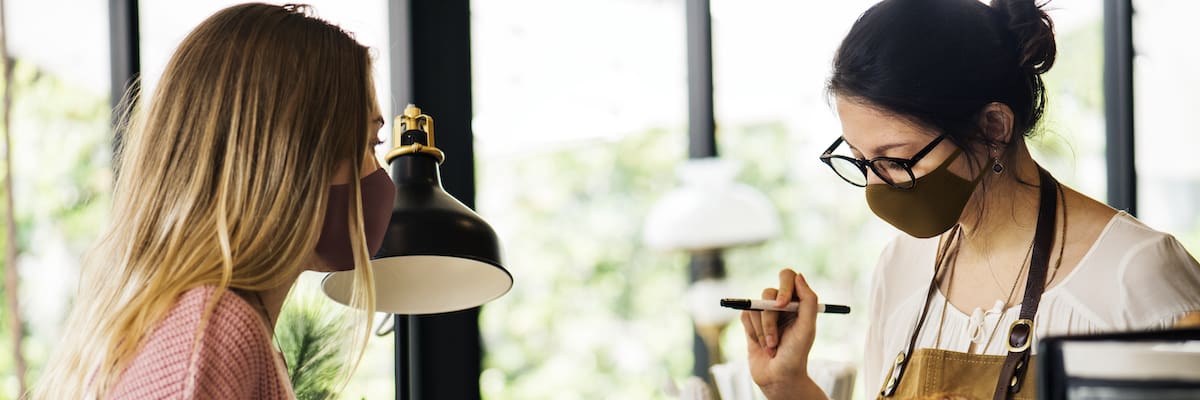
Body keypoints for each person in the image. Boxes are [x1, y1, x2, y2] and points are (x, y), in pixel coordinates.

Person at [740, 0, 1200, 399]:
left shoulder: (1133, 276)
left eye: (895, 159)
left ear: (993, 128)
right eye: (860, 159)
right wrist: (787, 384)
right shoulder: (901, 269)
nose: (877, 186)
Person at [32, 3, 395, 398]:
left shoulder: (195, 327)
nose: (378, 173)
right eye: (369, 144)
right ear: (291, 156)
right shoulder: (212, 333)